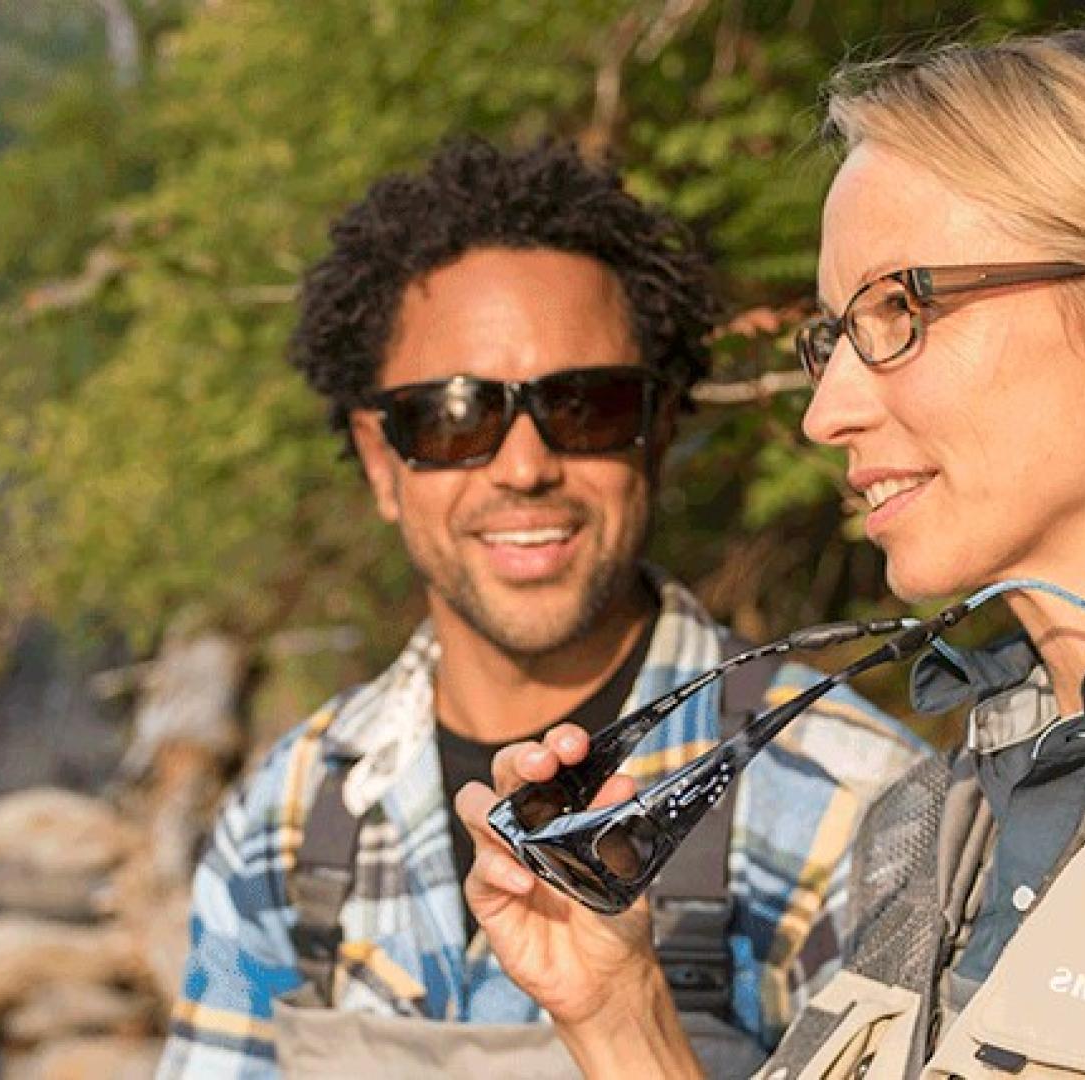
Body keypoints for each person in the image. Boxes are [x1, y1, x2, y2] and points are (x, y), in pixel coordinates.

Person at [458, 30, 1085, 1080]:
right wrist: (619, 1016)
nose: (827, 413)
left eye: (904, 311)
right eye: (834, 334)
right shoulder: (930, 822)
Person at [156, 138, 923, 1079]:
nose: (524, 468)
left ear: (660, 430)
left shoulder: (857, 809)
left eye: (588, 406)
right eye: (455, 415)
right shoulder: (285, 817)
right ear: (377, 458)